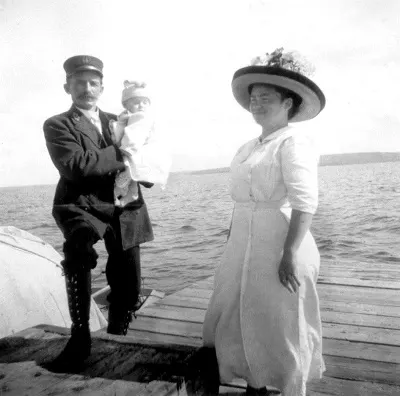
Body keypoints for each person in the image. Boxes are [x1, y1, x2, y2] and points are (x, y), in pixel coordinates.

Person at [202, 48, 326, 396]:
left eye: (266, 98)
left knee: (281, 321)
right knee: (238, 313)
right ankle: (254, 384)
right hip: (243, 242)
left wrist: (289, 254)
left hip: (279, 242)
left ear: (288, 104)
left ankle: (288, 386)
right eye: (253, 98)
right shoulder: (248, 146)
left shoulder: (294, 141)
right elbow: (241, 201)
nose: (256, 104)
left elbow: (305, 204)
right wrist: (230, 243)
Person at [43, 55, 154, 372]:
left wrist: (144, 158)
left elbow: (143, 162)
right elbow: (77, 166)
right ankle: (80, 338)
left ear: (102, 87)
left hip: (125, 200)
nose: (86, 89)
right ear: (68, 86)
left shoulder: (124, 120)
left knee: (129, 283)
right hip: (83, 203)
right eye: (79, 82)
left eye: (93, 83)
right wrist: (126, 150)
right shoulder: (57, 124)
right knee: (77, 252)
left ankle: (117, 333)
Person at [110, 80, 171, 207]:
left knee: (128, 171)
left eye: (145, 102)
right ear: (126, 105)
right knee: (133, 174)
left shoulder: (141, 117)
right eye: (136, 103)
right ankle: (131, 194)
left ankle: (120, 190)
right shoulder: (131, 116)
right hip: (136, 151)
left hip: (135, 150)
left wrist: (126, 148)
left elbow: (134, 135)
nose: (141, 105)